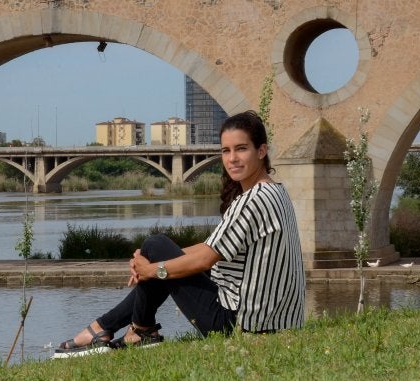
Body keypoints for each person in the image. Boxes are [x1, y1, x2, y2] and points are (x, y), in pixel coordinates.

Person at [52, 110, 305, 359]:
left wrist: (151, 270)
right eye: (226, 150)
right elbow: (210, 247)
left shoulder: (252, 200)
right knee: (160, 251)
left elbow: (205, 259)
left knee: (155, 242)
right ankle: (117, 328)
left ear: (261, 151)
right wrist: (156, 263)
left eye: (241, 149)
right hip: (279, 321)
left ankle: (128, 330)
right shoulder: (275, 192)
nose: (232, 159)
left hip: (241, 323)